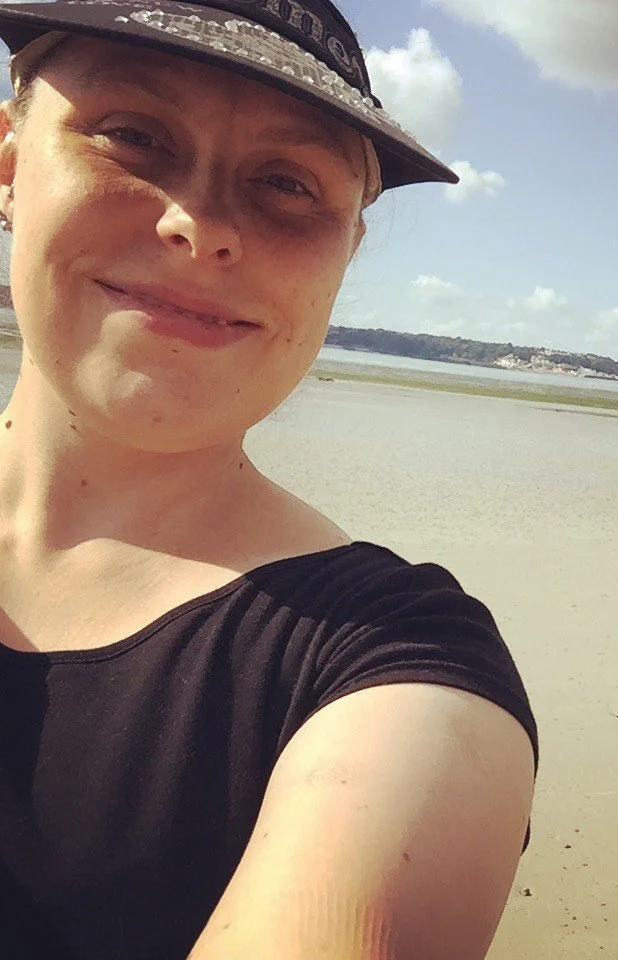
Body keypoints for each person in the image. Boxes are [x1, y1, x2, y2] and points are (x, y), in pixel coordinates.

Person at [0, 1, 538, 957]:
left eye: (286, 183)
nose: (199, 227)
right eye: (134, 135)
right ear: (8, 160)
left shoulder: (389, 665)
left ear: (346, 256)